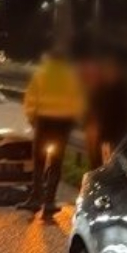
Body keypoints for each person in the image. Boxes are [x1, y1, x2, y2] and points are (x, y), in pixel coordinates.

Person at [18, 53, 85, 219]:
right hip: (62, 124)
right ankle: (49, 202)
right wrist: (74, 119)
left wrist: (31, 118)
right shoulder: (71, 77)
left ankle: (35, 198)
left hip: (43, 122)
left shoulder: (41, 74)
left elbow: (30, 98)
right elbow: (78, 100)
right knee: (56, 162)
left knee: (39, 162)